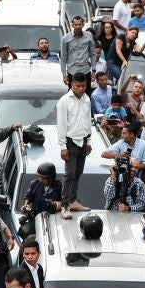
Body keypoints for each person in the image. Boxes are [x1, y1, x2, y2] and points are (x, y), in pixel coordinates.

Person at [55, 72, 93, 220]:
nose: (81, 88)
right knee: (69, 175)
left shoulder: (87, 99)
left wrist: (89, 142)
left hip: (83, 140)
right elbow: (61, 125)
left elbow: (88, 121)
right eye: (78, 86)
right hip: (70, 142)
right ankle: (65, 205)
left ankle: (73, 200)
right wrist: (62, 146)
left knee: (78, 172)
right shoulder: (64, 101)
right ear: (72, 85)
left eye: (84, 86)